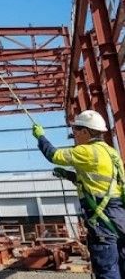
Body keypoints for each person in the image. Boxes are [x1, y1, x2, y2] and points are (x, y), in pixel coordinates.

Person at [34, 110, 125, 279]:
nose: (74, 134)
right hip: (119, 216)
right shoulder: (111, 152)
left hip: (102, 219)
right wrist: (69, 176)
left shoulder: (87, 151)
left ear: (85, 131)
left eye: (76, 130)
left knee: (107, 270)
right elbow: (100, 182)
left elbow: (54, 155)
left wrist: (40, 137)